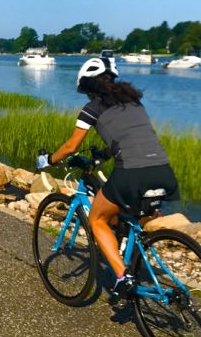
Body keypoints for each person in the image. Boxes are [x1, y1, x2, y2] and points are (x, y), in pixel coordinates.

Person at [38, 56, 178, 302]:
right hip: (163, 171)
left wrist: (48, 160)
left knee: (97, 218)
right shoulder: (134, 103)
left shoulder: (91, 108)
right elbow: (129, 139)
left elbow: (71, 147)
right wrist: (103, 155)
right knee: (124, 215)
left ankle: (124, 278)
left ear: (88, 86)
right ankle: (131, 258)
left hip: (133, 172)